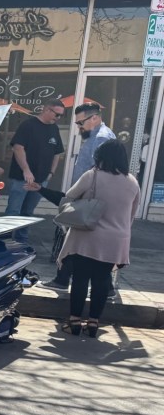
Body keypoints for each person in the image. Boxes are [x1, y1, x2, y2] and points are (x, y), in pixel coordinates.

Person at [57, 139, 139, 339]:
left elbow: (69, 196)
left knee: (80, 278)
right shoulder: (132, 182)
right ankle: (93, 323)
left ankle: (74, 321)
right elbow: (131, 215)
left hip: (88, 235)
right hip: (115, 239)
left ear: (100, 156)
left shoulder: (92, 175)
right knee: (102, 280)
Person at [41, 102, 116, 290]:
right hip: (88, 197)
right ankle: (65, 279)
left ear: (94, 118)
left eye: (80, 123)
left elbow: (100, 171)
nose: (79, 127)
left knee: (75, 241)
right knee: (78, 242)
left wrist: (82, 195)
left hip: (89, 198)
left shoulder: (101, 138)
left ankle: (65, 280)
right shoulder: (97, 136)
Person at [5, 99, 65, 242]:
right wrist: (26, 170)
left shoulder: (54, 129)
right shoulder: (28, 125)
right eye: (57, 114)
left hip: (41, 180)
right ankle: (5, 240)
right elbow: (18, 148)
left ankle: (21, 241)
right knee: (13, 211)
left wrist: (51, 172)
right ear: (47, 109)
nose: (58, 118)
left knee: (28, 212)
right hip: (21, 178)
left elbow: (57, 153)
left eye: (61, 115)